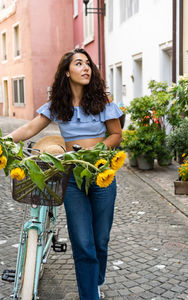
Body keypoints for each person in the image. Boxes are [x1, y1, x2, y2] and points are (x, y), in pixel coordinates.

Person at [6, 48, 123, 300]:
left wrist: (98, 150)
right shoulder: (58, 107)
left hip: (102, 175)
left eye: (88, 63)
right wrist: (4, 141)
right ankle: (90, 294)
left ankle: (95, 279)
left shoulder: (103, 102)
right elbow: (29, 128)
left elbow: (116, 135)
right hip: (71, 180)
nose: (86, 68)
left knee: (100, 240)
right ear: (67, 72)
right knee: (83, 243)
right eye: (79, 63)